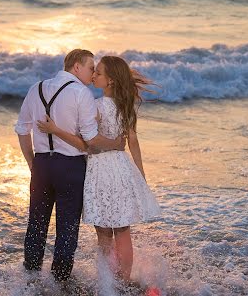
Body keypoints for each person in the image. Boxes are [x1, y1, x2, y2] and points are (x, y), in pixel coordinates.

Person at [37, 55, 160, 284]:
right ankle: (123, 280)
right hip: (122, 168)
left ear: (110, 81)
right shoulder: (126, 107)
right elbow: (133, 141)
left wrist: (55, 129)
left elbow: (87, 142)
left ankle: (107, 283)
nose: (94, 75)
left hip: (101, 170)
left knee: (104, 232)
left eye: (99, 73)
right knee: (123, 230)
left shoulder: (96, 106)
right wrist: (141, 174)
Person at [15, 49, 125, 282]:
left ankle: (30, 280)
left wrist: (32, 163)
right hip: (71, 167)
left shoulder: (36, 88)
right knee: (67, 227)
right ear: (76, 67)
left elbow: (22, 130)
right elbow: (91, 140)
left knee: (36, 223)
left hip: (42, 164)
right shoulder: (80, 93)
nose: (92, 72)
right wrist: (116, 143)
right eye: (90, 67)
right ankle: (60, 281)